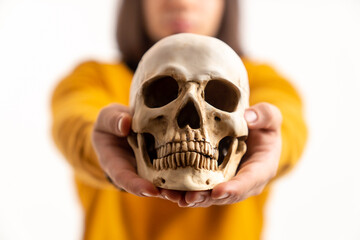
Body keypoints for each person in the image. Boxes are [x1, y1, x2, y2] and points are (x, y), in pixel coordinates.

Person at [51, 0, 307, 239]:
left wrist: (276, 142)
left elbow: (288, 122)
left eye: (218, 96)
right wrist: (97, 142)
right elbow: (75, 121)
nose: (181, 3)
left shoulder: (260, 80)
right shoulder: (94, 79)